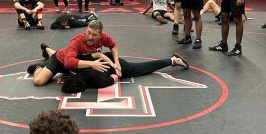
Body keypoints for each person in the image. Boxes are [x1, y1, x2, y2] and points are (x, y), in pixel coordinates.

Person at [32, 20, 119, 86]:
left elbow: (113, 46)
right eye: (88, 32)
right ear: (86, 30)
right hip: (60, 61)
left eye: (94, 35)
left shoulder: (104, 37)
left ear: (100, 35)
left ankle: (46, 49)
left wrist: (117, 62)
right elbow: (68, 62)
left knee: (65, 53)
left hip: (75, 64)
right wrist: (92, 64)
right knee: (38, 81)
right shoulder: (77, 41)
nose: (90, 37)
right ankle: (39, 67)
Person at [60, 50, 189, 92]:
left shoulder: (99, 82)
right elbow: (96, 54)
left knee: (143, 68)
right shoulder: (77, 66)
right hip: (107, 56)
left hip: (119, 66)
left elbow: (116, 76)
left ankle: (173, 60)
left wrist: (116, 69)